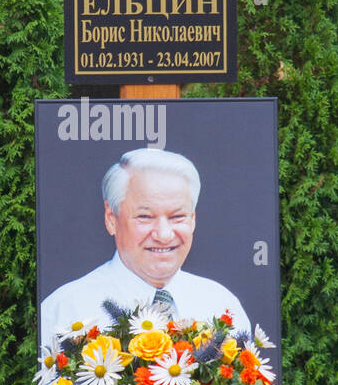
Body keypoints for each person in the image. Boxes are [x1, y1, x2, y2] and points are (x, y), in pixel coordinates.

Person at [40, 147, 251, 346]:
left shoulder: (222, 306)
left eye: (177, 217)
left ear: (193, 219)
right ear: (111, 218)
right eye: (145, 217)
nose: (163, 235)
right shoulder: (65, 311)